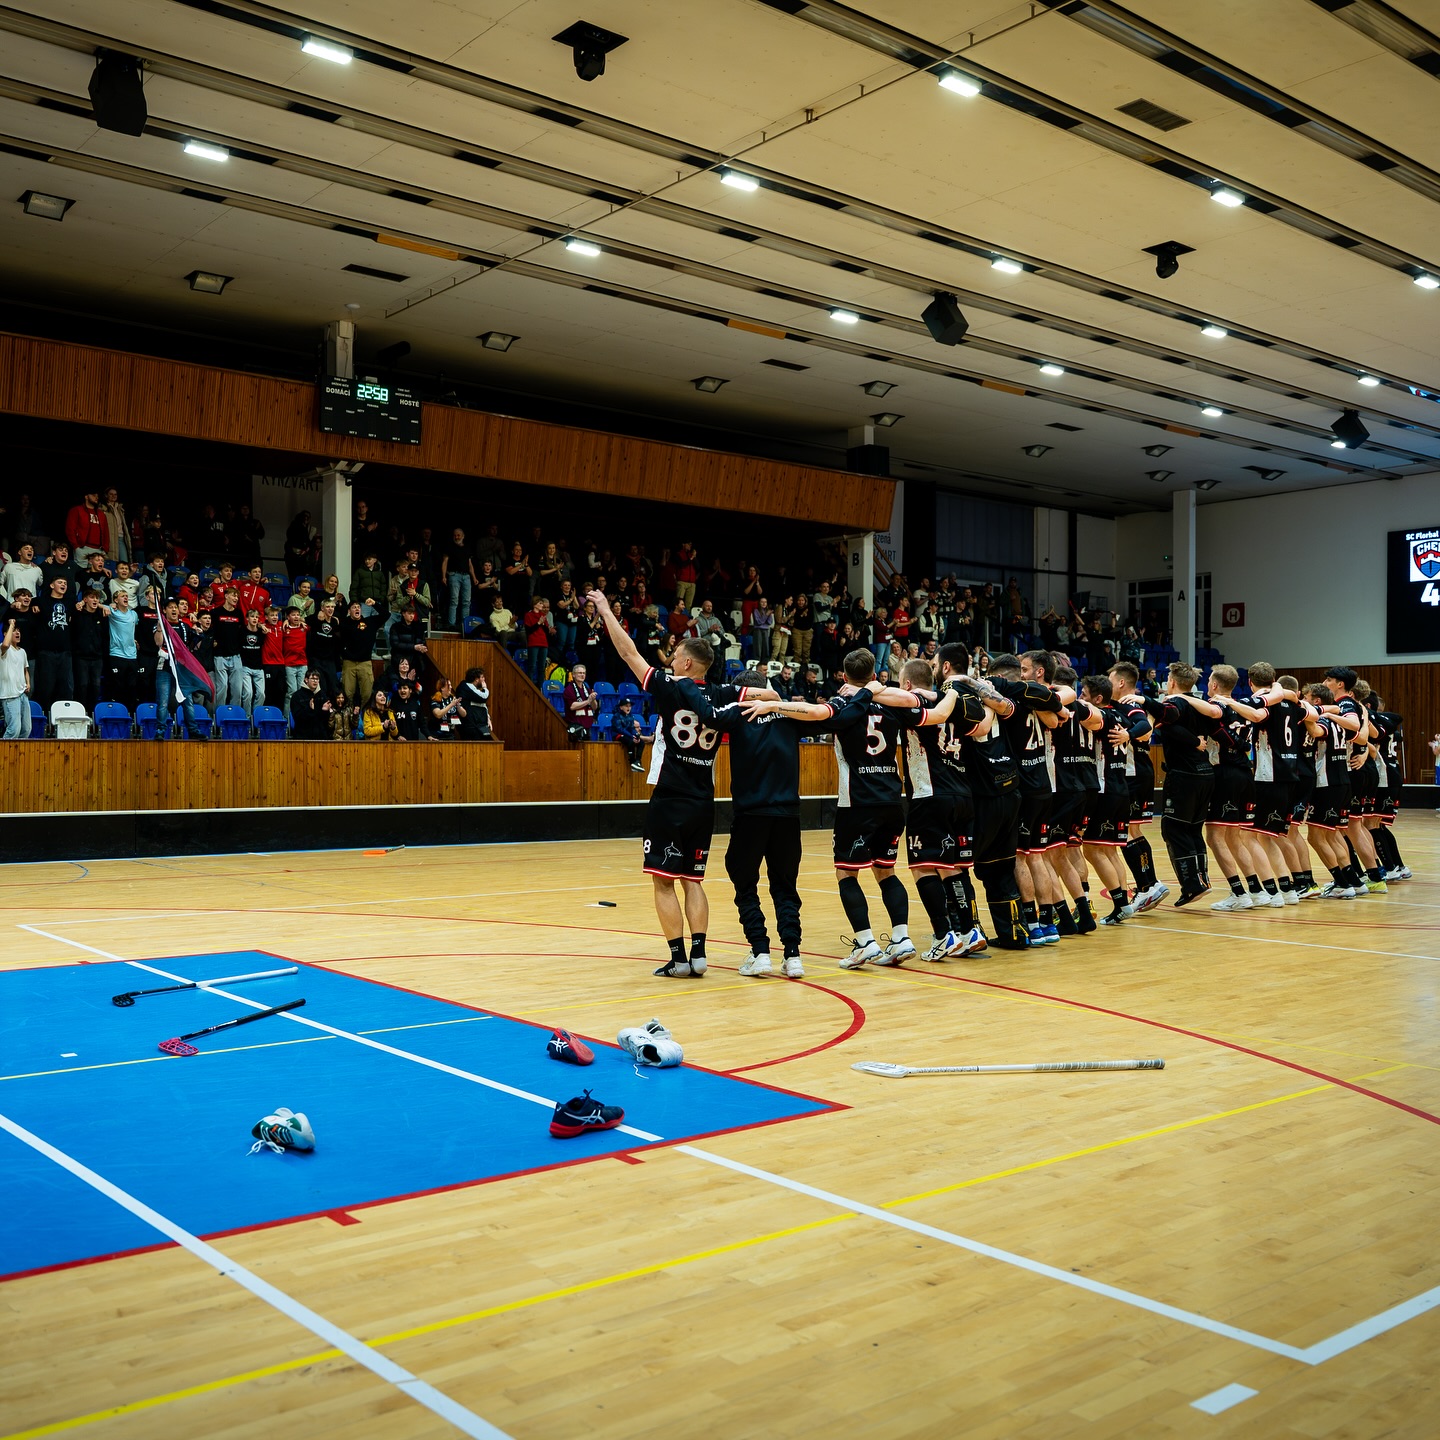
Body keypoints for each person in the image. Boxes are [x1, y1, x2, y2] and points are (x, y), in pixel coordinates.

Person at [587, 588, 763, 980]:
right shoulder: (723, 694)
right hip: (703, 801)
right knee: (693, 880)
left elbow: (628, 653)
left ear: (685, 662)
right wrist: (766, 701)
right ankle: (700, 955)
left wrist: (605, 611)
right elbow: (767, 692)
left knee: (664, 883)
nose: (670, 657)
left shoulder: (669, 686)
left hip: (669, 797)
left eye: (675, 653)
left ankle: (679, 958)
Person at [1141, 662, 1224, 906]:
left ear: (1172, 682)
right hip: (1205, 772)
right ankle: (1202, 879)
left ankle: (1192, 885)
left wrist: (1144, 700)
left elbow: (1170, 720)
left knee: (1174, 829)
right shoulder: (1201, 704)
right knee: (1193, 830)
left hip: (1184, 775)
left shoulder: (1174, 703)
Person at [153, 599, 210, 739]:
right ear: (164, 610)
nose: (173, 610)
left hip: (181, 668)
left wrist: (198, 634)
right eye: (170, 607)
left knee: (187, 701)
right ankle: (160, 730)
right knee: (163, 701)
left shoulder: (185, 626)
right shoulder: (161, 625)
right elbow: (158, 643)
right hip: (165, 667)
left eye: (175, 607)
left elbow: (194, 647)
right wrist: (159, 628)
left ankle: (193, 730)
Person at [30, 575, 74, 715]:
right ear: (51, 585)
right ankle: (44, 718)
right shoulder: (41, 601)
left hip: (65, 651)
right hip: (46, 651)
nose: (63, 585)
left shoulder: (70, 602)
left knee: (65, 687)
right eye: (60, 582)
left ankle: (63, 718)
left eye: (65, 583)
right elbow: (28, 601)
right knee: (46, 687)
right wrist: (32, 604)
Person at [71, 588, 109, 714]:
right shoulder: (78, 614)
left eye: (97, 598)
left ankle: (92, 714)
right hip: (80, 657)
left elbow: (105, 637)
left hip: (97, 657)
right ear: (85, 599)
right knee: (82, 685)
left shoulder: (102, 615)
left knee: (96, 687)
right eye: (92, 597)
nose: (95, 600)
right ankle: (80, 713)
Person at [104, 586, 139, 711]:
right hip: (117, 654)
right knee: (118, 686)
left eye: (126, 596)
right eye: (122, 596)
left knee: (132, 686)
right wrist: (108, 606)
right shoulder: (112, 611)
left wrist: (134, 640)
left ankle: (130, 713)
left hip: (132, 655)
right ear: (116, 600)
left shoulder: (133, 614)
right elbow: (98, 605)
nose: (126, 598)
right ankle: (117, 712)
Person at [339, 601, 376, 712]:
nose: (357, 609)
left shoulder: (369, 622)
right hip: (349, 662)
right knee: (347, 692)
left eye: (358, 607)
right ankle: (350, 713)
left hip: (365, 662)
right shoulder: (343, 623)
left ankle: (363, 712)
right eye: (354, 607)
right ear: (349, 611)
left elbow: (386, 615)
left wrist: (374, 604)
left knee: (367, 692)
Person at [1, 616, 30, 739]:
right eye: (14, 631)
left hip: (22, 694)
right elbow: (6, 644)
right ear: (5, 634)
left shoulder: (22, 651)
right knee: (14, 730)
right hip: (9, 695)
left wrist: (28, 683)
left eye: (18, 631)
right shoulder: (3, 649)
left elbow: (25, 670)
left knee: (26, 730)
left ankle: (18, 752)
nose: (17, 633)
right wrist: (11, 624)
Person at [65, 489, 109, 565]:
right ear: (86, 497)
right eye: (94, 495)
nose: (96, 497)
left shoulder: (101, 514)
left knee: (98, 572)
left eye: (97, 496)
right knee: (82, 571)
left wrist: (105, 548)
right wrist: (76, 546)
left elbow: (106, 532)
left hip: (99, 550)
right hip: (83, 548)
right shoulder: (76, 510)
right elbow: (70, 530)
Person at [290, 668, 334, 739]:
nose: (315, 681)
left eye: (317, 679)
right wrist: (309, 709)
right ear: (306, 680)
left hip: (320, 735)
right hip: (303, 735)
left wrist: (326, 711)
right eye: (313, 679)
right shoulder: (297, 696)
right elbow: (297, 717)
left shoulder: (322, 695)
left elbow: (325, 720)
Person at [522, 597, 554, 684]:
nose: (542, 605)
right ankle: (530, 685)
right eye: (540, 603)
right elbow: (529, 631)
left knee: (542, 667)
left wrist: (543, 625)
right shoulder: (528, 615)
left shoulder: (542, 615)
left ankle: (540, 686)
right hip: (533, 643)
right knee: (532, 666)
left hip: (543, 643)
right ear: (534, 604)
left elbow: (546, 631)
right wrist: (538, 623)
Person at [563, 662, 597, 740]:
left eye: (584, 673)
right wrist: (588, 701)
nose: (582, 675)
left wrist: (593, 699)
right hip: (576, 727)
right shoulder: (569, 689)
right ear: (573, 675)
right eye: (580, 673)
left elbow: (594, 707)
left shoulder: (587, 689)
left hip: (588, 726)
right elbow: (572, 706)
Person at [457, 668, 492, 740]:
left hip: (481, 725)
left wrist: (488, 718)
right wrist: (485, 689)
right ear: (476, 679)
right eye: (482, 677)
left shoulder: (475, 690)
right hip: (471, 726)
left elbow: (483, 704)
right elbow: (484, 697)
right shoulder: (466, 686)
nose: (484, 679)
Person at [391, 676, 429, 741]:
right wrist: (398, 736)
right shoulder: (393, 705)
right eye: (400, 688)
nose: (402, 690)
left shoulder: (415, 705)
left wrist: (429, 736)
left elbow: (422, 724)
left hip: (413, 742)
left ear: (410, 690)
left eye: (405, 688)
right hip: (397, 742)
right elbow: (391, 725)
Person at [613, 695, 643, 770]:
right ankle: (632, 761)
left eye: (630, 706)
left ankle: (638, 761)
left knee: (641, 742)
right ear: (621, 707)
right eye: (626, 706)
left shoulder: (630, 717)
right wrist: (631, 736)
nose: (628, 708)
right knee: (630, 741)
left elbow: (631, 728)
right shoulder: (616, 716)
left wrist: (636, 735)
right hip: (618, 735)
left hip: (628, 735)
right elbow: (620, 729)